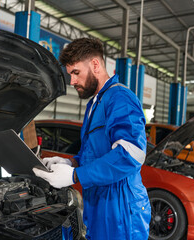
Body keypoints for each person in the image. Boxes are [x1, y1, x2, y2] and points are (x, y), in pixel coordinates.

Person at [33, 38, 151, 239]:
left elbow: (130, 156)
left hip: (121, 207)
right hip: (97, 202)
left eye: (76, 73)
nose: (72, 81)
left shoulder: (120, 98)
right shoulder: (94, 105)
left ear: (95, 64)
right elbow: (93, 153)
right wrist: (69, 162)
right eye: (70, 74)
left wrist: (74, 176)